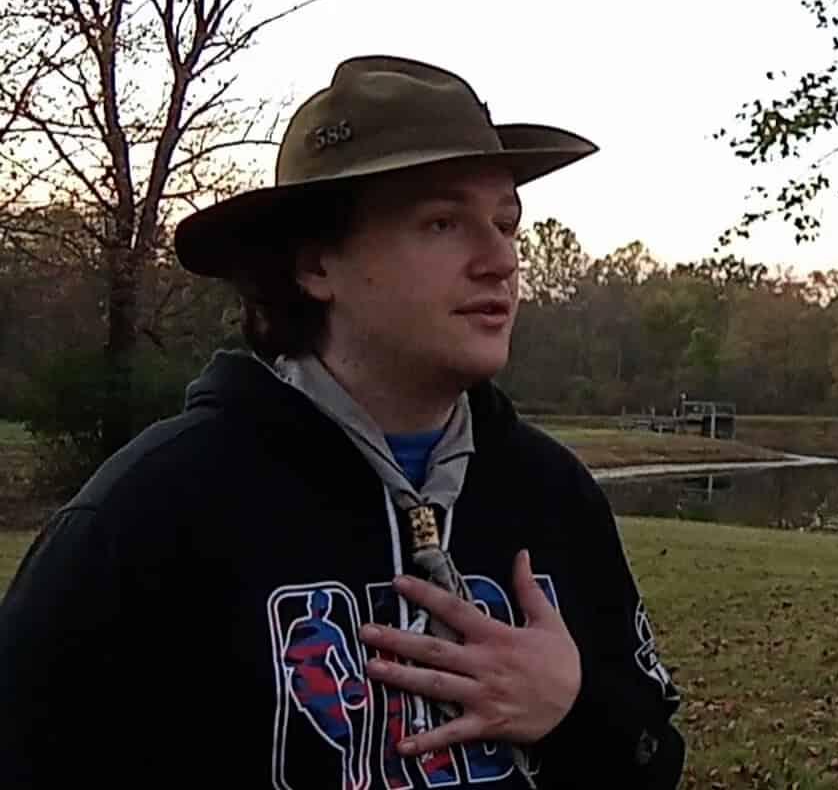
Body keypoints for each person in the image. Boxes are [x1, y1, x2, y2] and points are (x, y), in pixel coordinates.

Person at [0, 55, 686, 787]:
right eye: (443, 223)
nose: (500, 261)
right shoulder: (152, 513)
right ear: (316, 266)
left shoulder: (554, 497)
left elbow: (650, 761)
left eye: (506, 224)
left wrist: (572, 709)